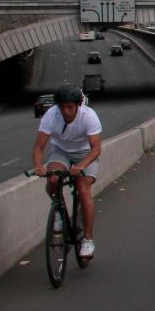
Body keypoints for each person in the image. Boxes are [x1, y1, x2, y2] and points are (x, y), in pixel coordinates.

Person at [31, 84, 103, 260]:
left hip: (85, 153)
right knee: (53, 179)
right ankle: (60, 214)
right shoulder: (51, 116)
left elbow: (96, 149)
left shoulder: (89, 116)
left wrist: (81, 165)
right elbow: (39, 147)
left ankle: (87, 239)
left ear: (78, 105)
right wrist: (39, 166)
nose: (66, 111)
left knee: (83, 189)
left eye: (70, 107)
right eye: (62, 107)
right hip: (61, 151)